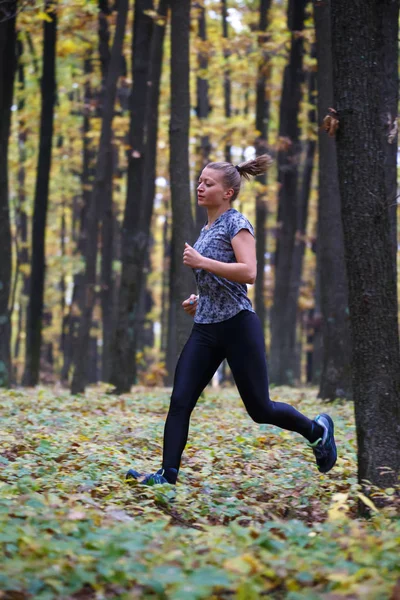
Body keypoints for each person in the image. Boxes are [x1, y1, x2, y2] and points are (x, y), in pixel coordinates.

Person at [126, 155, 337, 486]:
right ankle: (166, 477)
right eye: (199, 181)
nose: (200, 186)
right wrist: (200, 299)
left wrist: (202, 262)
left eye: (208, 183)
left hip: (238, 325)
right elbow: (221, 280)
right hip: (206, 328)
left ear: (227, 193)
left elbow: (249, 272)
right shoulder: (206, 228)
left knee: (260, 410)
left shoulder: (236, 223)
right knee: (180, 400)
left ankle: (317, 431)